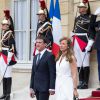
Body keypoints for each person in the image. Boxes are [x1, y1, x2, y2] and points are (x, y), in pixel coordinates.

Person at [72, 2, 95, 89]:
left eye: (81, 7)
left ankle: (85, 83)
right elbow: (75, 29)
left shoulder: (91, 17)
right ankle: (81, 81)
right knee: (79, 62)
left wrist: (90, 42)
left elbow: (92, 31)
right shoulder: (77, 18)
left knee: (85, 62)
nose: (80, 9)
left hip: (84, 40)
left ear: (86, 8)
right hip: (76, 39)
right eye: (79, 7)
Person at [30, 36, 56, 100]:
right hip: (36, 87)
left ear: (45, 44)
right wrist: (31, 87)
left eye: (40, 42)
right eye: (36, 42)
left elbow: (52, 72)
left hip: (45, 88)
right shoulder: (35, 56)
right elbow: (33, 73)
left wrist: (52, 87)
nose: (37, 44)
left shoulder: (50, 56)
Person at [0, 19, 17, 100]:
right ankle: (4, 93)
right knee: (3, 74)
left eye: (4, 24)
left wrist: (9, 58)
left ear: (8, 26)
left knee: (8, 75)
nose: (3, 26)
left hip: (7, 55)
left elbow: (12, 47)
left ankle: (8, 94)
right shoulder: (3, 33)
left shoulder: (10, 34)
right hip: (2, 55)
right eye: (2, 24)